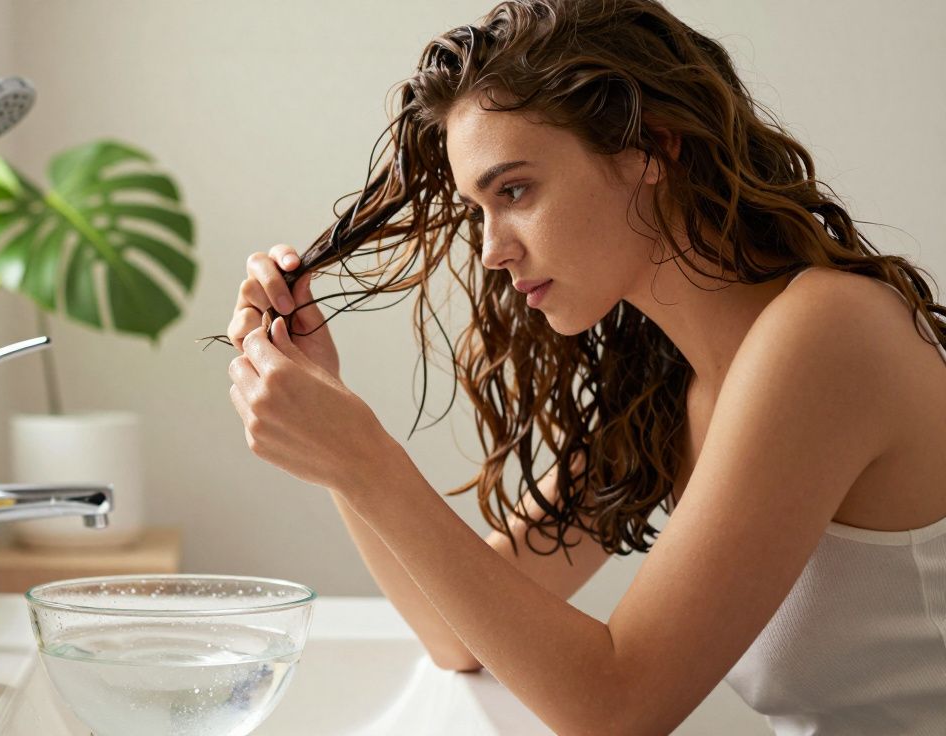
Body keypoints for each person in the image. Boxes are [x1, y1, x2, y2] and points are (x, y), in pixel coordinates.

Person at [224, 1, 946, 733]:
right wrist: (333, 421)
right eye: (479, 209)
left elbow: (618, 709)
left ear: (651, 150)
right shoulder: (674, 393)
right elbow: (455, 639)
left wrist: (365, 459)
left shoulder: (830, 332)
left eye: (514, 191)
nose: (491, 250)